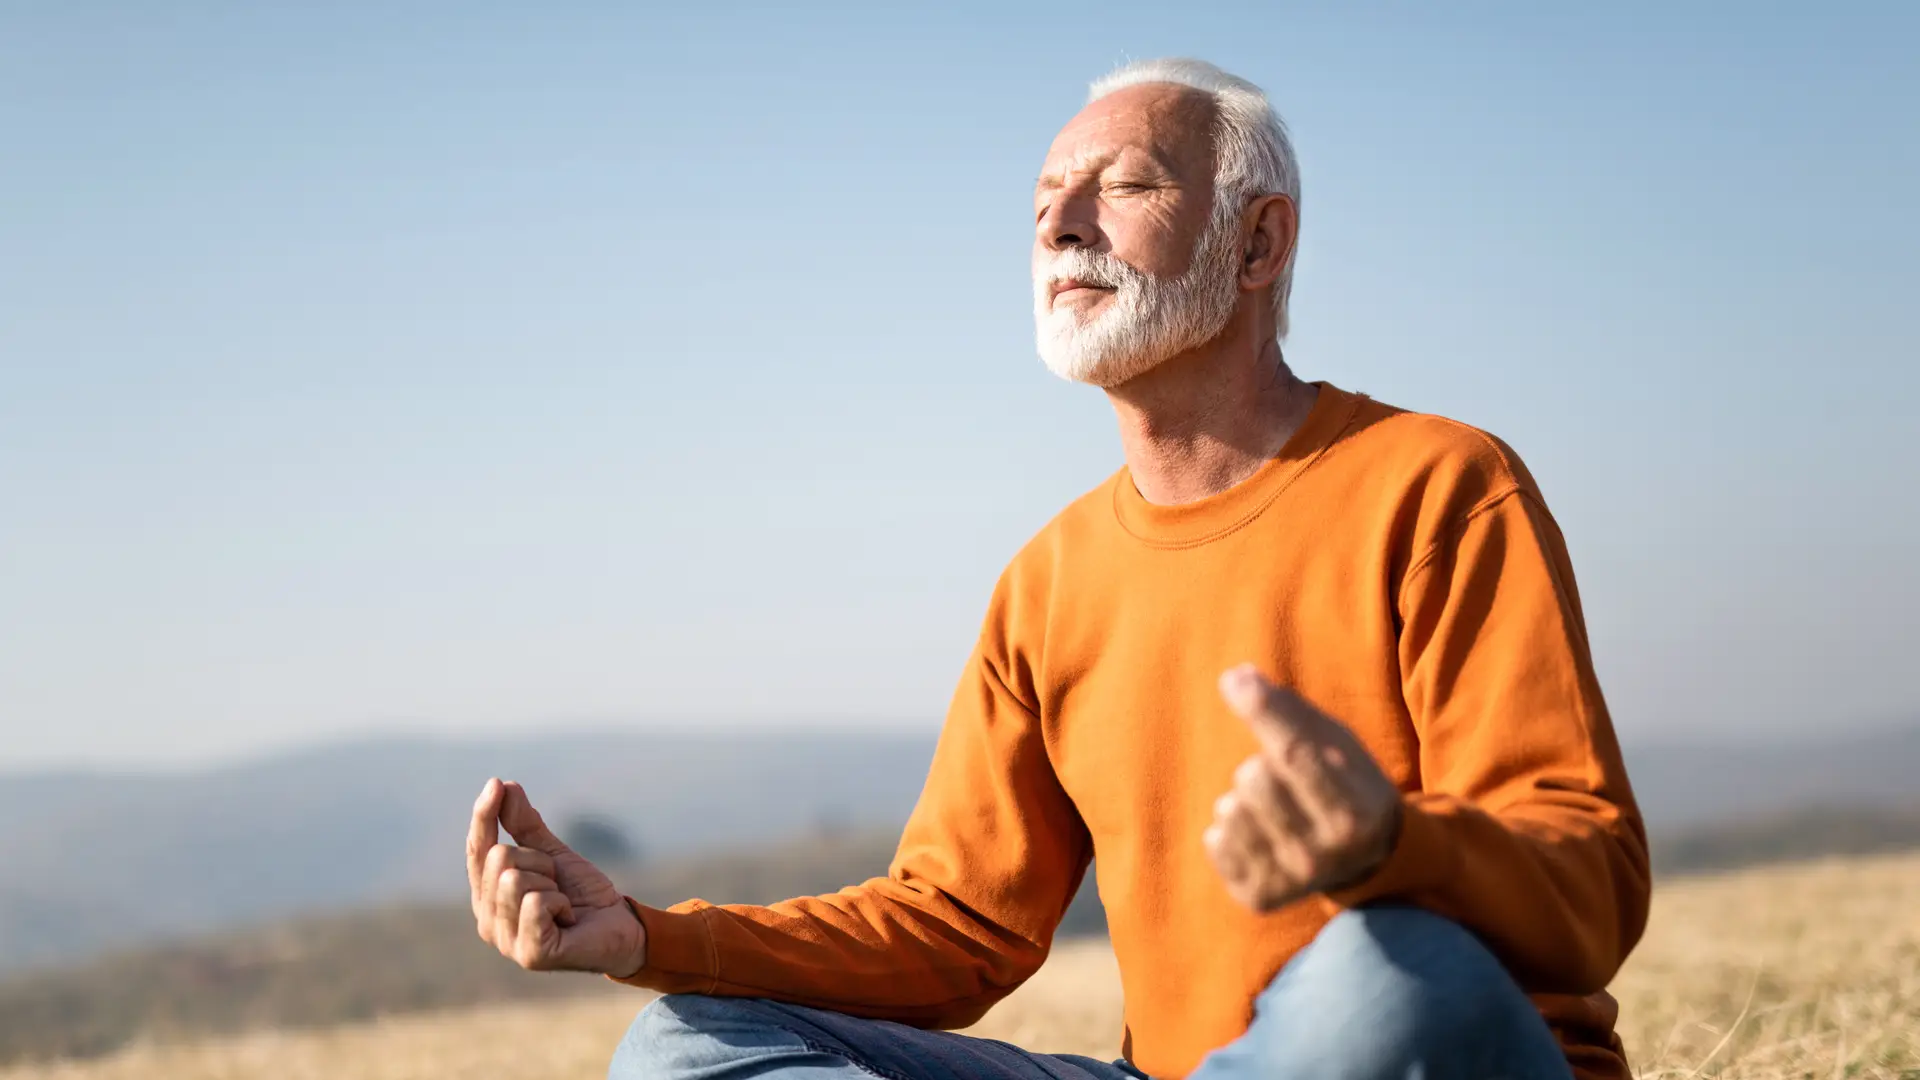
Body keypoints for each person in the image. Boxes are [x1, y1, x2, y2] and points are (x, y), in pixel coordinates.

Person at [465, 57, 1651, 1080]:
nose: (1061, 224)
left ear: (1259, 241)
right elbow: (955, 925)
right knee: (683, 1048)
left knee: (1392, 972)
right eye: (1044, 199)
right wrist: (642, 934)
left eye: (1125, 185)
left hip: (1434, 1045)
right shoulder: (1049, 581)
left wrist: (1393, 848)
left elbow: (1593, 886)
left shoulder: (1438, 483)